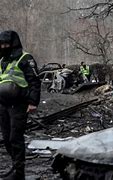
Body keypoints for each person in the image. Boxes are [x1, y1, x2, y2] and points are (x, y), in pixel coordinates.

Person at [0, 30, 41, 180]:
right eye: (1, 44)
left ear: (13, 43)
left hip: (19, 104)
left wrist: (33, 102)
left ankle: (19, 172)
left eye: (7, 44)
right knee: (6, 138)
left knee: (15, 138)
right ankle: (14, 167)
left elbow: (35, 81)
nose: (4, 46)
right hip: (3, 105)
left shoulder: (25, 58)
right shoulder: (2, 61)